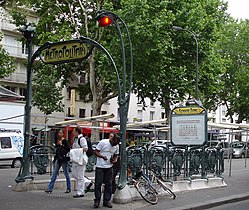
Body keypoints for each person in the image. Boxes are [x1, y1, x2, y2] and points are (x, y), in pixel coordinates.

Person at [94, 133, 120, 208]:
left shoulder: (116, 146)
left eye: (116, 144)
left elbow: (116, 154)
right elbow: (96, 152)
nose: (114, 145)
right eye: (114, 143)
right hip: (100, 166)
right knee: (98, 184)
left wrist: (115, 160)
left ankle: (106, 200)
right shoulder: (103, 142)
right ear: (112, 139)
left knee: (109, 184)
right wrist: (102, 156)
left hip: (109, 166)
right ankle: (97, 200)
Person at [45, 129, 71, 194]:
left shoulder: (65, 141)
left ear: (63, 134)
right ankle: (50, 188)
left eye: (61, 133)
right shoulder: (57, 141)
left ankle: (68, 187)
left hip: (64, 159)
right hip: (58, 159)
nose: (59, 134)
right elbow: (57, 151)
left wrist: (61, 144)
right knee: (54, 173)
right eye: (58, 133)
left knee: (66, 173)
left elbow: (68, 148)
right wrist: (54, 160)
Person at [71, 126, 88, 198]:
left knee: (80, 176)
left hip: (81, 159)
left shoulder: (82, 139)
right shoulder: (75, 139)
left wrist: (76, 151)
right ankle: (87, 182)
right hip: (76, 159)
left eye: (74, 131)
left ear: (77, 132)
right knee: (74, 174)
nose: (72, 132)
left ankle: (80, 192)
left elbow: (85, 148)